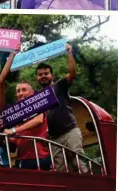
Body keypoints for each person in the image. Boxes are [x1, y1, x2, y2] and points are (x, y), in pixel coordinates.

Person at [35, 44, 88, 173]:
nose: (43, 76)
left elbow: (72, 73)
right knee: (60, 171)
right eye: (40, 74)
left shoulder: (59, 86)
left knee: (79, 164)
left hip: (70, 131)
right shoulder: (37, 97)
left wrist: (69, 53)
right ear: (37, 78)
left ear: (51, 75)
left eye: (46, 73)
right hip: (54, 138)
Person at [1, 80, 51, 170]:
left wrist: (13, 130)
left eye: (24, 90)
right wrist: (3, 134)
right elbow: (16, 139)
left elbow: (38, 120)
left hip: (39, 157)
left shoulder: (38, 104)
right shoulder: (17, 114)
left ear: (32, 93)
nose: (20, 93)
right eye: (18, 91)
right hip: (22, 158)